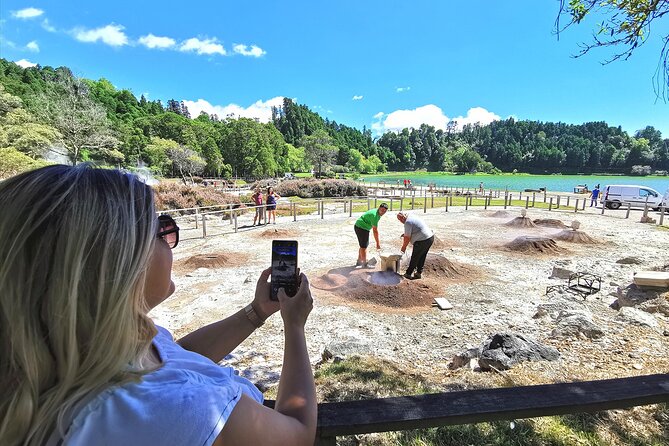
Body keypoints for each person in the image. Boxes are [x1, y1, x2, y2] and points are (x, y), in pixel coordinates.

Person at [0, 165, 316, 446]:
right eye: (159, 230)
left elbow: (175, 356)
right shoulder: (173, 409)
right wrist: (294, 325)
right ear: (118, 264)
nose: (169, 238)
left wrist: (256, 312)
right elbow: (298, 433)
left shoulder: (83, 353)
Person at [397, 212, 435, 280]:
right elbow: (415, 228)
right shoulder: (411, 216)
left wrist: (403, 247)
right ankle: (418, 273)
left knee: (415, 257)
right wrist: (405, 234)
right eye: (399, 220)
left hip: (422, 240)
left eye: (401, 219)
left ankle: (408, 274)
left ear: (403, 217)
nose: (400, 221)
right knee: (422, 256)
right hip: (430, 238)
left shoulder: (408, 222)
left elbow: (407, 238)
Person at [354, 203, 388, 267]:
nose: (383, 212)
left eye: (385, 211)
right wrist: (377, 243)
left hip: (361, 227)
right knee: (364, 246)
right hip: (361, 228)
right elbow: (375, 231)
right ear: (379, 208)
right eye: (382, 210)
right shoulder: (374, 215)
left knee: (363, 245)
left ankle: (359, 261)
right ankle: (364, 264)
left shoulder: (377, 213)